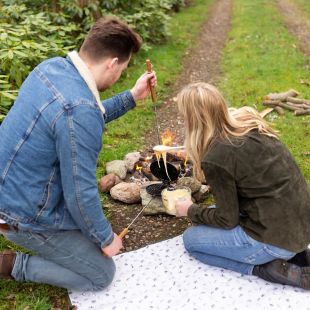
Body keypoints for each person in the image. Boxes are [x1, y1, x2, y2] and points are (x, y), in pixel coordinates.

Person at [0, 17, 156, 291]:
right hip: (21, 214)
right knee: (101, 274)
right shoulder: (78, 110)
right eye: (123, 69)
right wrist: (106, 238)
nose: (120, 76)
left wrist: (131, 96)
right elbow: (80, 194)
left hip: (12, 188)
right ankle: (14, 265)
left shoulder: (51, 69)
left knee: (88, 234)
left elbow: (82, 115)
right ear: (112, 63)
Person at [175, 82, 310, 289]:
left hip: (274, 241)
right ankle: (296, 256)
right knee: (207, 216)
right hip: (301, 227)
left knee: (192, 240)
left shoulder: (216, 157)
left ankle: (264, 269)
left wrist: (190, 210)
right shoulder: (251, 126)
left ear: (193, 120)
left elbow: (226, 220)